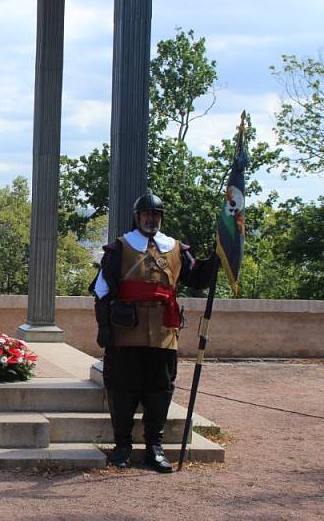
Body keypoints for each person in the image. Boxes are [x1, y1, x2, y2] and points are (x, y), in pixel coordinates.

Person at [89, 191, 215, 473]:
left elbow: (198, 279)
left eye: (156, 215)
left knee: (160, 391)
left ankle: (154, 449)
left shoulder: (177, 249)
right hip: (126, 332)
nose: (152, 219)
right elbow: (102, 291)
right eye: (147, 214)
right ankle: (122, 447)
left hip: (163, 333)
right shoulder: (119, 249)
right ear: (138, 217)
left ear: (161, 218)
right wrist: (105, 329)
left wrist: (217, 258)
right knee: (122, 390)